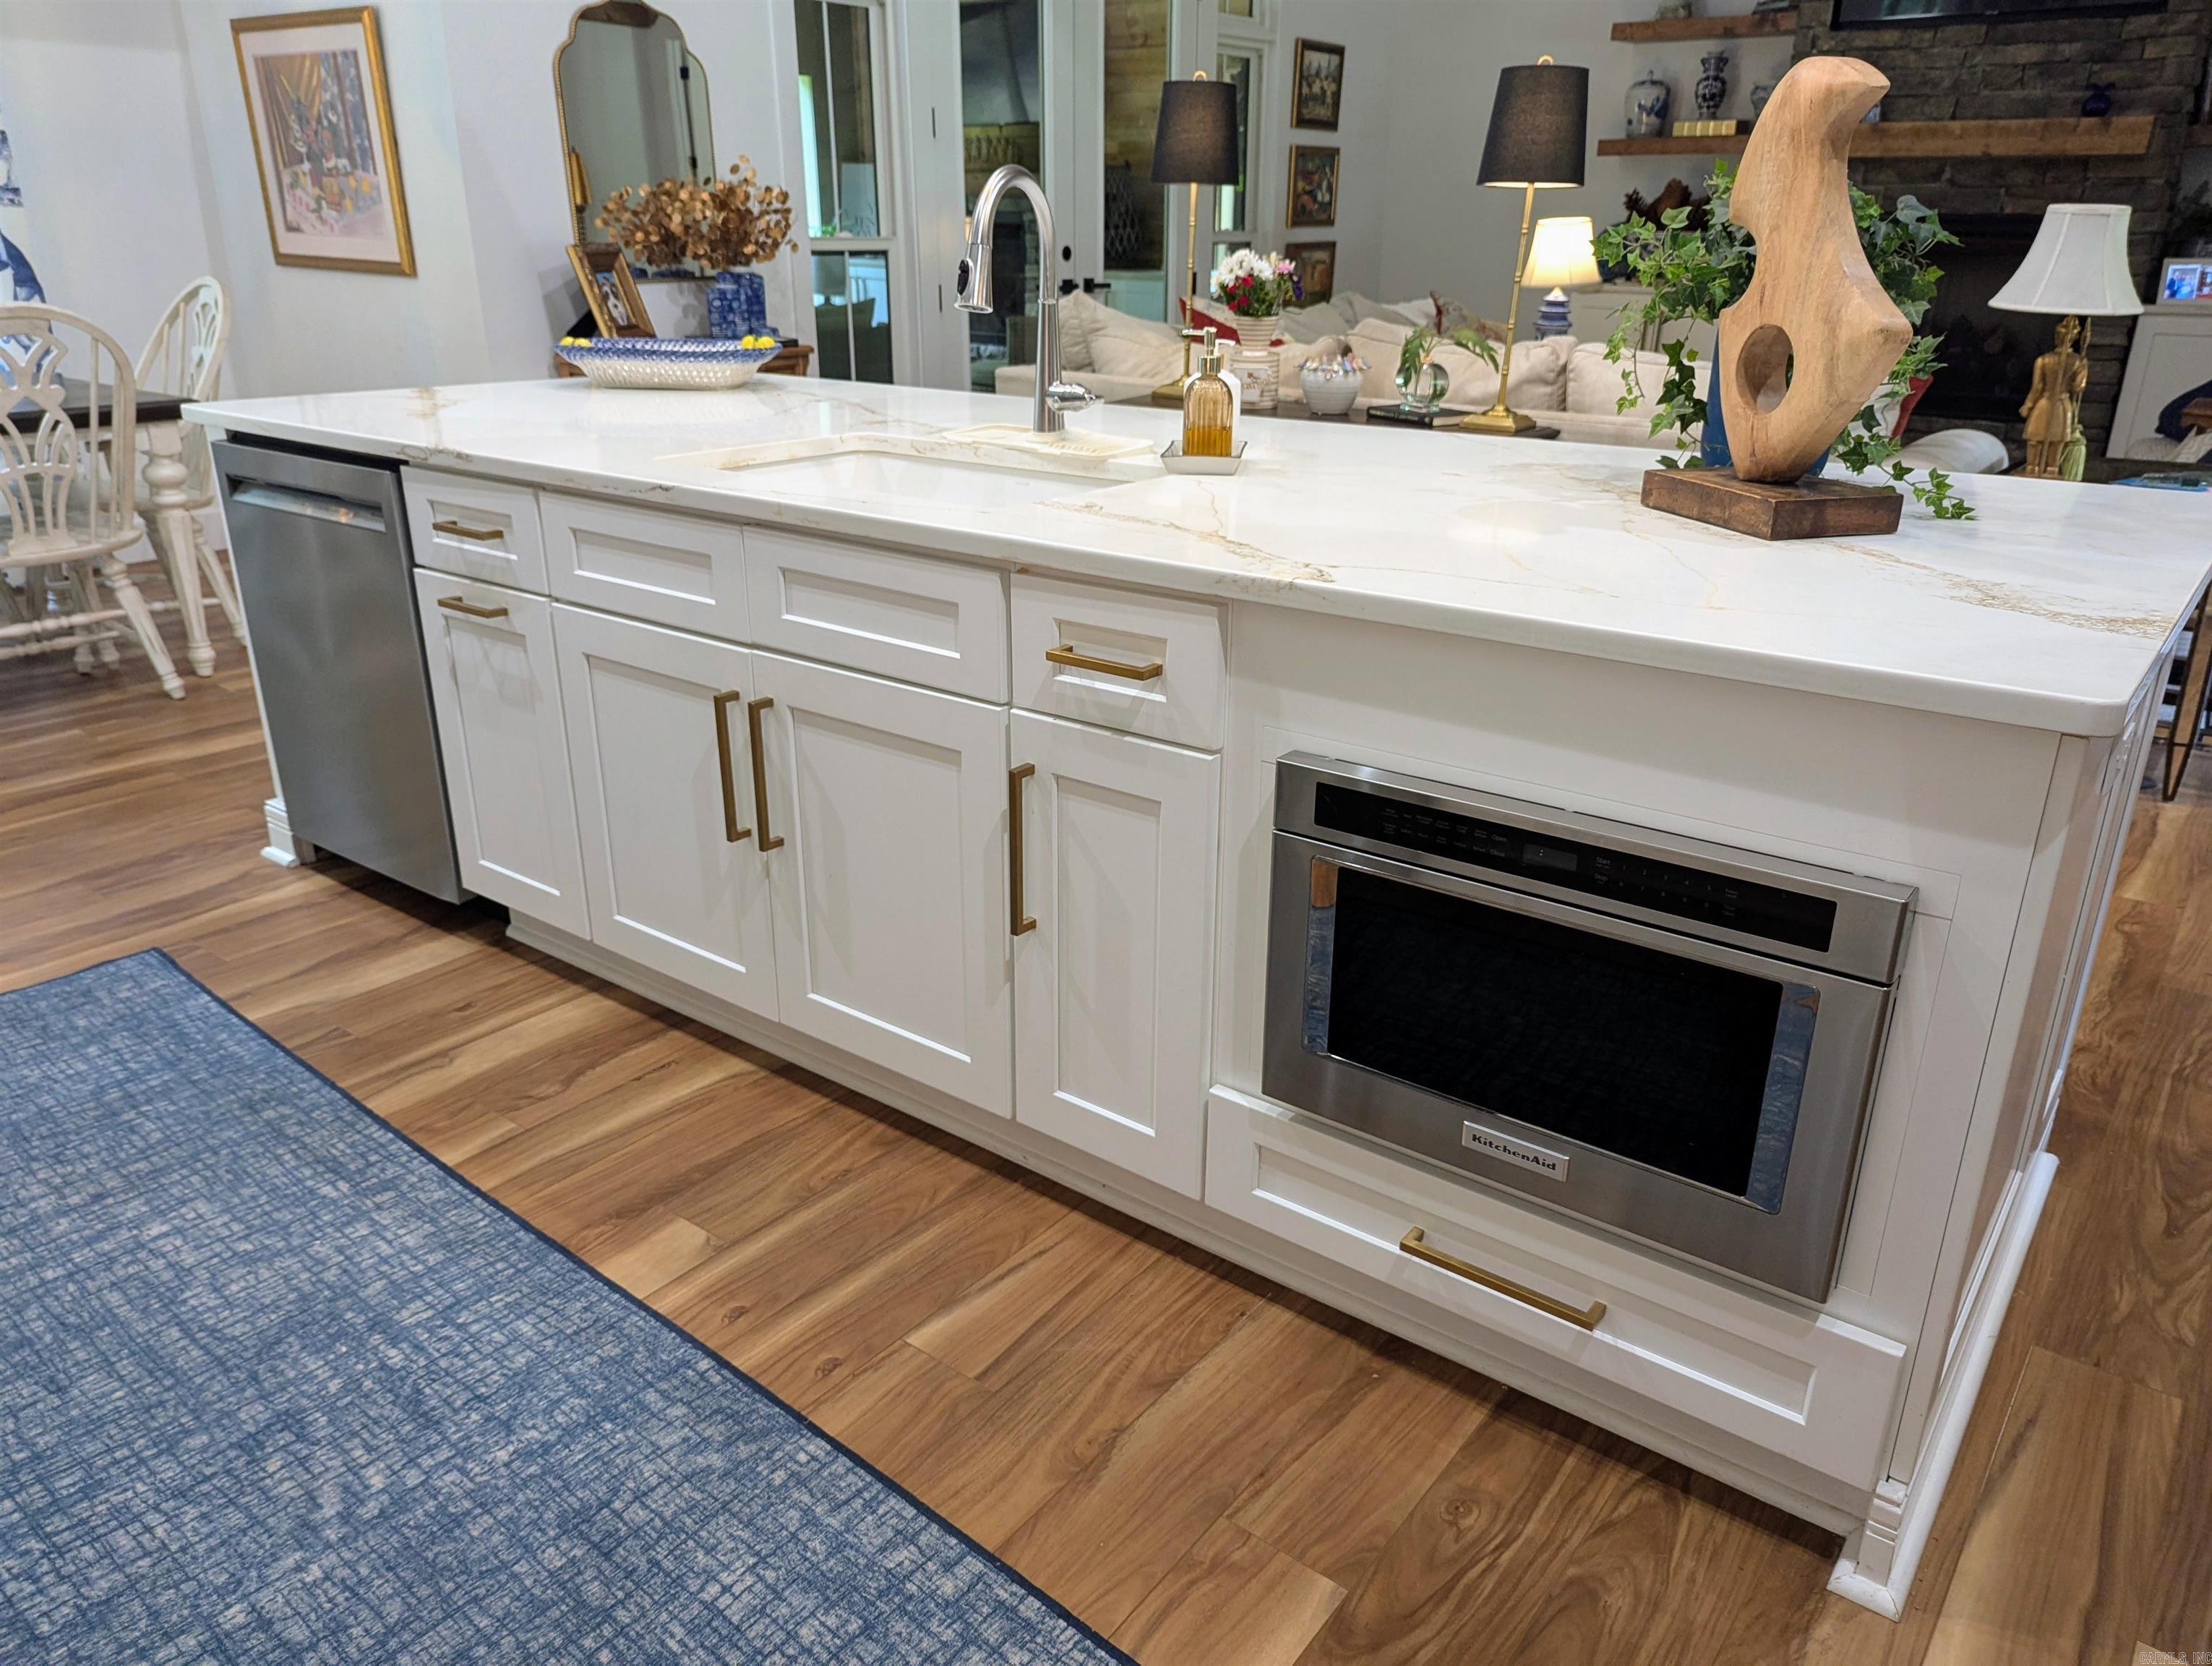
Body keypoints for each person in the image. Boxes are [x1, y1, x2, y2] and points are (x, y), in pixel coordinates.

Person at [2020, 314, 2088, 479]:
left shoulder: (2043, 360)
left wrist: (2028, 405)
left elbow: (2037, 387)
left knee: (2038, 439)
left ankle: (2033, 467)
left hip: (2044, 403)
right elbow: (2078, 387)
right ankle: (2051, 469)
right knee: (2055, 440)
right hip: (2063, 405)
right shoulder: (2079, 361)